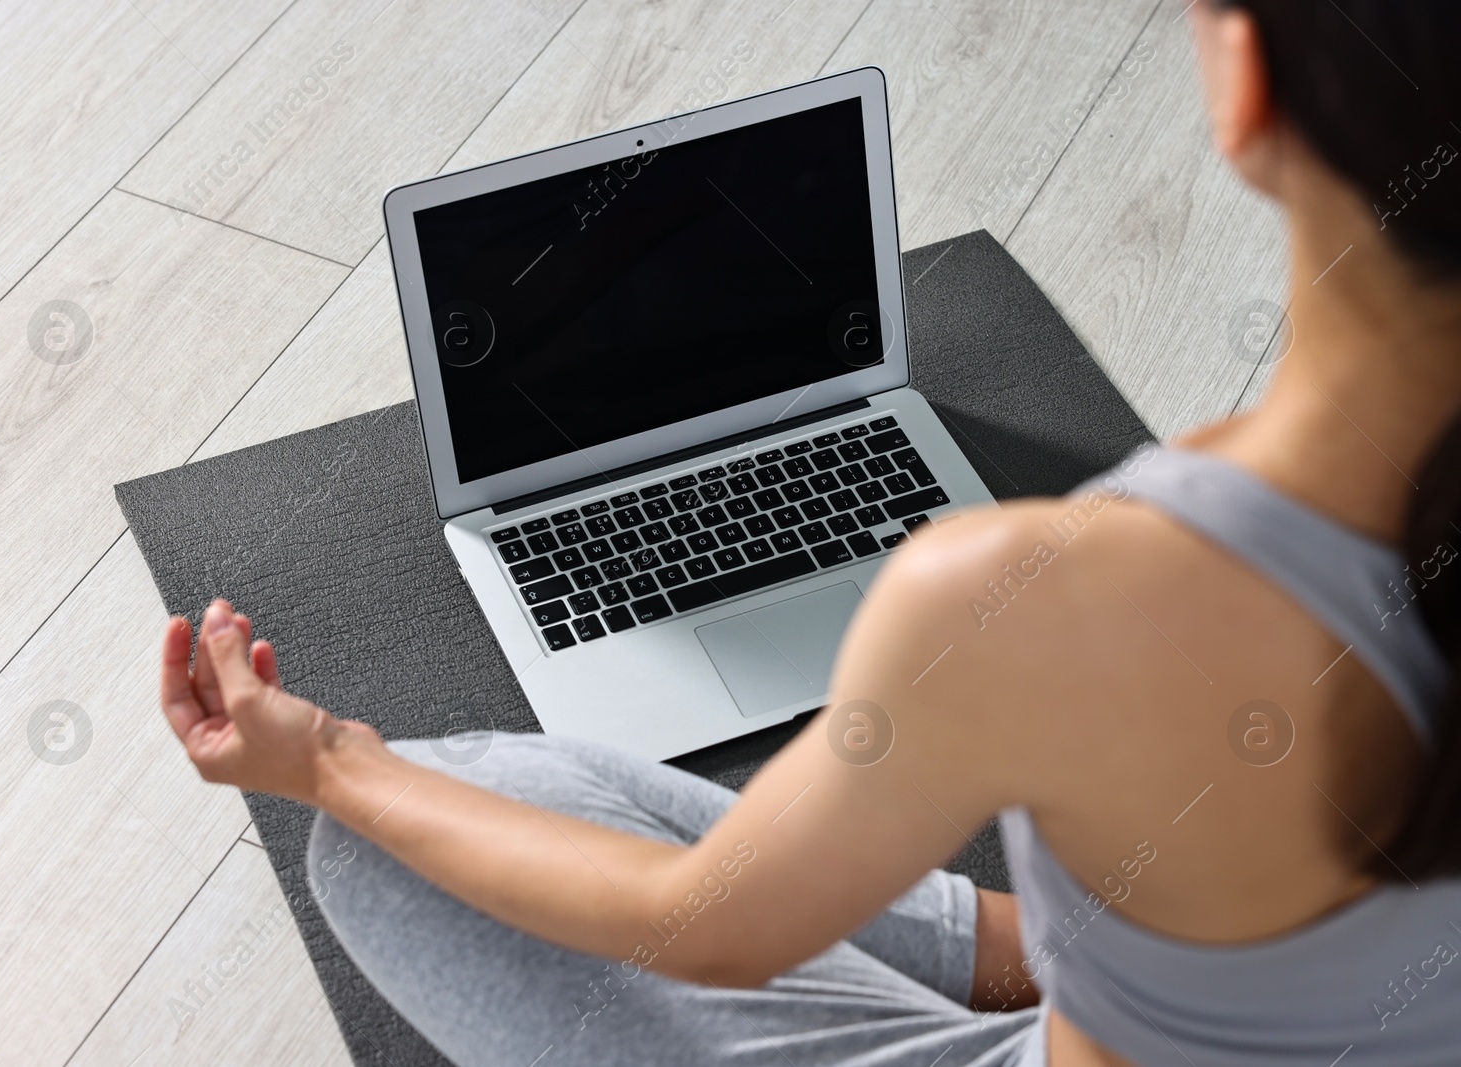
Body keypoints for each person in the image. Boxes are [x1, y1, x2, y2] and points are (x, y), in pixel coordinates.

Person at [157, 1, 1461, 1062]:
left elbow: (700, 930)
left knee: (390, 850)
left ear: (1247, 83)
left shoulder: (1063, 596)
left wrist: (326, 762)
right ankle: (1044, 946)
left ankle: (1050, 950)